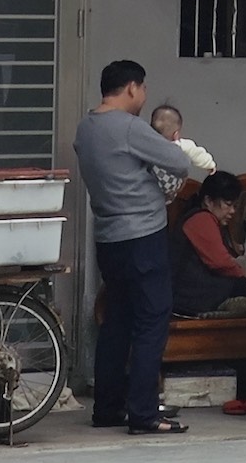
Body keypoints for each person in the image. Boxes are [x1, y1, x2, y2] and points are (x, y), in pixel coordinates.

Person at [74, 59, 201, 434]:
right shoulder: (128, 127)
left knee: (117, 322)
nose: (144, 97)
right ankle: (144, 413)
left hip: (108, 237)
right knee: (151, 322)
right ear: (131, 87)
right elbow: (177, 161)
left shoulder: (86, 128)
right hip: (143, 236)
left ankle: (108, 409)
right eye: (143, 89)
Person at [171, 171, 246, 318]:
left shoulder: (204, 218)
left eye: (235, 206)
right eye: (228, 204)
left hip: (188, 293)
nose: (232, 211)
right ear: (208, 201)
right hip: (188, 297)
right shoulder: (201, 219)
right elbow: (221, 263)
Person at [146, 103, 215, 199]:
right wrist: (210, 165)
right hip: (169, 189)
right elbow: (198, 154)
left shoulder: (146, 144)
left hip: (150, 186)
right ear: (176, 134)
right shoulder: (181, 145)